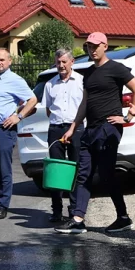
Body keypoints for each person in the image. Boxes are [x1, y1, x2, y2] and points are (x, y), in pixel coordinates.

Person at [55, 32, 135, 235]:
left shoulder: (116, 68)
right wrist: (72, 127)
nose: (92, 50)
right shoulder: (88, 73)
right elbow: (84, 103)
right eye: (89, 46)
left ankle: (122, 217)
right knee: (83, 173)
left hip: (108, 128)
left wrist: (129, 116)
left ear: (105, 46)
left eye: (96, 46)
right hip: (90, 129)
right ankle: (78, 219)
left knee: (106, 174)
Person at [0, 48, 38, 219]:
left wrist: (18, 116)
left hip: (4, 131)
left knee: (4, 169)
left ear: (10, 61)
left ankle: (2, 205)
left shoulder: (15, 80)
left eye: (2, 60)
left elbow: (32, 100)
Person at [42, 47, 84, 222]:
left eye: (64, 62)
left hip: (76, 128)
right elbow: (48, 110)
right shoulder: (50, 84)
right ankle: (56, 210)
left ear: (72, 62)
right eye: (58, 62)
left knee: (76, 170)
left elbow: (85, 107)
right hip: (56, 129)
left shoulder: (82, 81)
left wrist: (72, 127)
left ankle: (75, 210)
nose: (61, 65)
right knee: (56, 172)